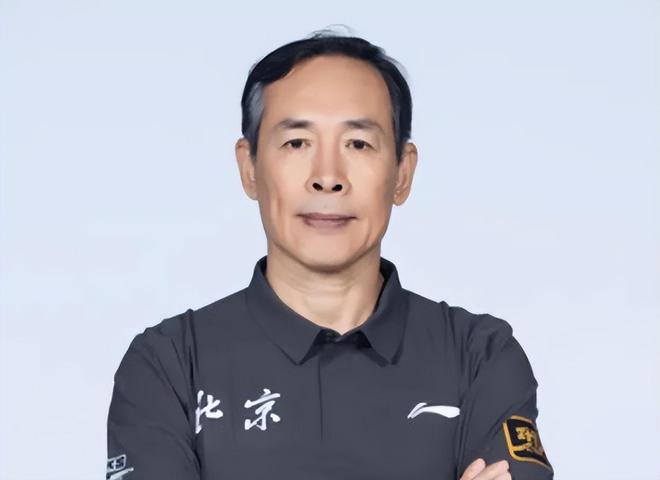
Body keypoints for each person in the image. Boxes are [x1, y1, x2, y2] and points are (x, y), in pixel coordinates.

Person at [106, 27, 553, 480]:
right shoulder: (169, 364)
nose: (327, 177)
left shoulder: (479, 357)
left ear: (402, 173)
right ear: (249, 168)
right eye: (296, 143)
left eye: (358, 143)